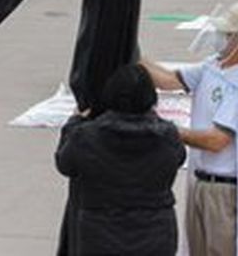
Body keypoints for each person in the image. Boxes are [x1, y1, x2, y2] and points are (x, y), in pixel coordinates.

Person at [143, 3, 238, 256]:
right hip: (200, 182)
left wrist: (165, 131)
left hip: (224, 191)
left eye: (227, 34)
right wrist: (131, 51)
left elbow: (216, 141)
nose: (220, 39)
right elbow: (170, 80)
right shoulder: (214, 65)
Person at [55, 64, 186, 256]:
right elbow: (178, 159)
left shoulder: (87, 136)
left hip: (100, 232)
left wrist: (73, 123)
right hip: (155, 231)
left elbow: (64, 163)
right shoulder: (166, 136)